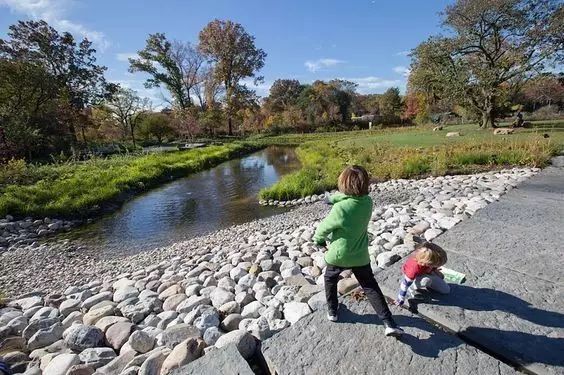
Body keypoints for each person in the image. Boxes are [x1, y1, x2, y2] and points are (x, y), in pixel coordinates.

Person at [313, 165, 403, 337]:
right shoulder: (367, 202)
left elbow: (323, 229)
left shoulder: (340, 209)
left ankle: (332, 311)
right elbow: (349, 199)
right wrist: (332, 199)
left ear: (343, 185)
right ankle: (389, 323)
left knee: (330, 278)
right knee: (370, 286)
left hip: (338, 255)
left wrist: (319, 241)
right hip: (360, 255)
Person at [395, 242, 450, 307]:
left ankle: (429, 282)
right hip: (415, 277)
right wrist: (400, 299)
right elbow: (405, 284)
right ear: (427, 263)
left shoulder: (427, 258)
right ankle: (411, 289)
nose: (437, 266)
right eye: (436, 265)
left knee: (446, 290)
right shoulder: (413, 269)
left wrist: (435, 271)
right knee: (426, 280)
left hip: (425, 271)